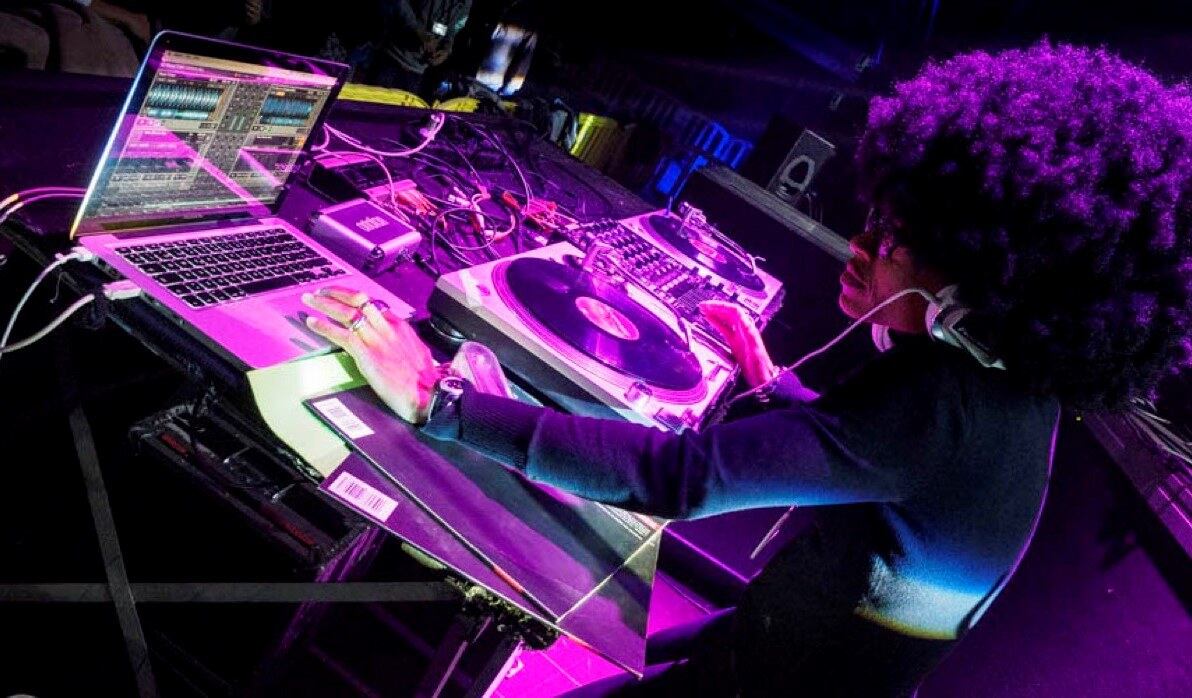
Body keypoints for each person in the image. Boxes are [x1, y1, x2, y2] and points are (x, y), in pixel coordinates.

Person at [298, 42, 1192, 696]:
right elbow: (866, 461)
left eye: (895, 238)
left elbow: (677, 476)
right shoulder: (1009, 396)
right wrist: (771, 384)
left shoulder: (938, 404)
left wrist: (440, 398)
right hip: (770, 659)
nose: (862, 245)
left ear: (977, 287)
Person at [367, 0, 472, 94]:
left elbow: (454, 29)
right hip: (392, 58)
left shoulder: (467, 3)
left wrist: (446, 49)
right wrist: (417, 29)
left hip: (417, 72)